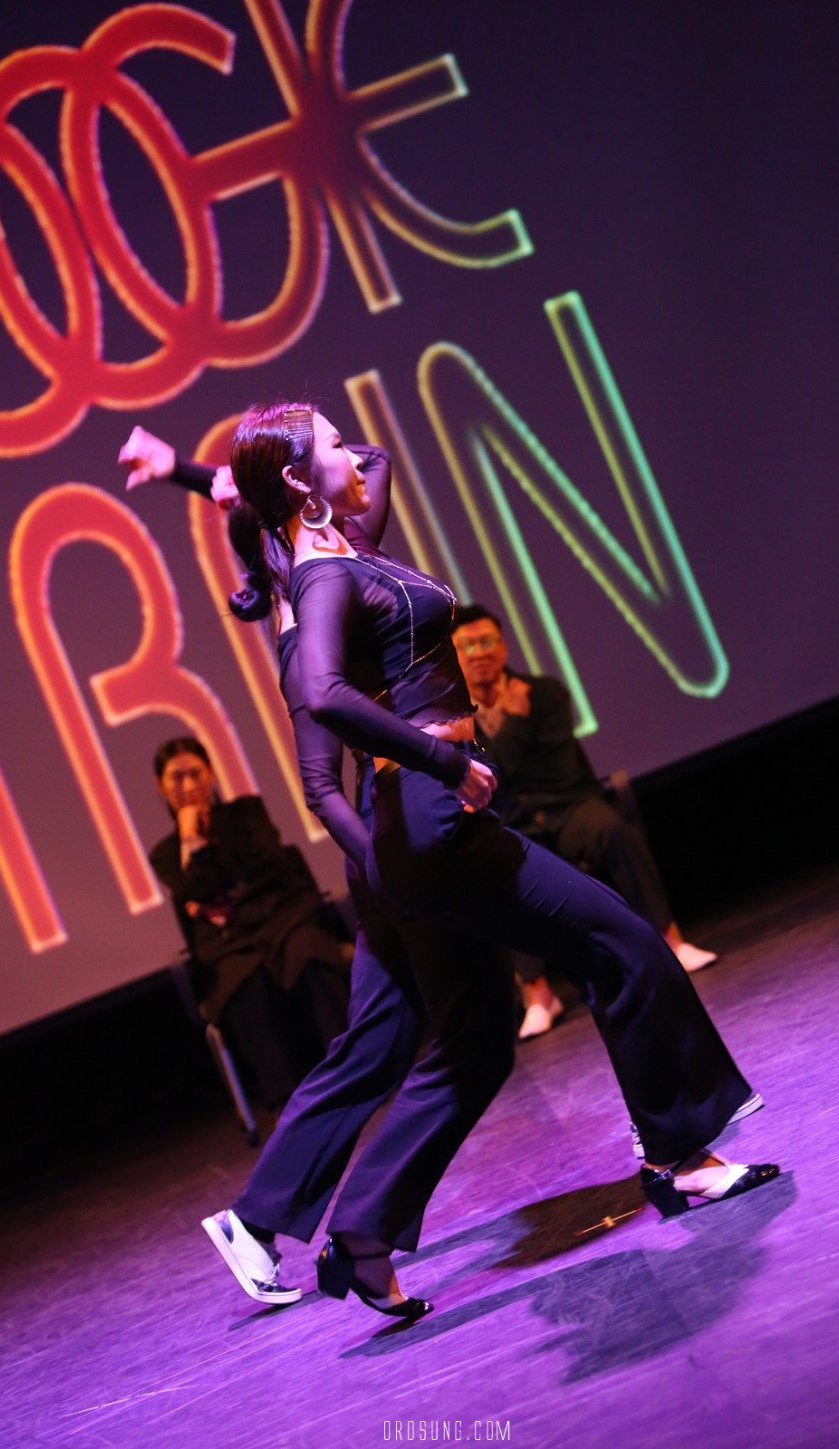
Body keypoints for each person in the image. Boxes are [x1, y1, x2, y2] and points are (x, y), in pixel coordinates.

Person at [217, 399, 779, 1316]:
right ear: (294, 482)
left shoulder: (347, 551)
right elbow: (321, 693)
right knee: (619, 940)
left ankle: (362, 1232)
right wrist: (444, 760)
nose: (350, 449)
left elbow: (375, 461)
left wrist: (297, 474)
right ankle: (681, 1155)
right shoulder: (321, 580)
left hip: (423, 815)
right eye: (329, 441)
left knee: (478, 1038)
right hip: (430, 814)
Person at [121, 426, 509, 1322]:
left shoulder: (328, 576)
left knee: (377, 1039)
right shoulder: (307, 631)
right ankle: (335, 1226)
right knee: (465, 1034)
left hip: (392, 849)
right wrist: (386, 866)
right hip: (389, 847)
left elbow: (372, 462)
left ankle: (261, 1220)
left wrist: (193, 472)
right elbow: (320, 789)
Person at [451, 605, 718, 1039]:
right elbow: (488, 783)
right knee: (495, 869)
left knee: (613, 830)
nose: (479, 652)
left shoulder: (545, 693)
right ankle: (538, 995)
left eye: (487, 641)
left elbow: (558, 772)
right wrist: (516, 725)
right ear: (452, 653)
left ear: (503, 647)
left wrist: (512, 743)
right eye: (466, 645)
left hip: (568, 807)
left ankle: (671, 943)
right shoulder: (452, 716)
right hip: (514, 823)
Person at [150, 736, 351, 1113]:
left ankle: (354, 1069)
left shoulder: (246, 814)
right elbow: (196, 887)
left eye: (195, 773)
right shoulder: (165, 854)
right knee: (244, 982)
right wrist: (192, 840)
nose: (188, 785)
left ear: (211, 774)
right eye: (177, 777)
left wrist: (214, 891)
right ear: (160, 785)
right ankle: (291, 1103)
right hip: (230, 943)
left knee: (308, 952)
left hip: (280, 919)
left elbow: (268, 863)